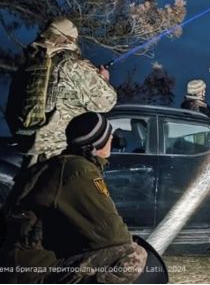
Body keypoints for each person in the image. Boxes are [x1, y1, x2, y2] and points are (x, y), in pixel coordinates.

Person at [0, 112, 147, 283]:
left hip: (16, 265)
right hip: (32, 273)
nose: (112, 138)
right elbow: (113, 236)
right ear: (98, 142)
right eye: (109, 134)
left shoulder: (55, 165)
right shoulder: (79, 170)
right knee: (132, 256)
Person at [6, 18, 117, 165]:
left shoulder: (26, 68)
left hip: (28, 154)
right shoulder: (71, 65)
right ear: (70, 39)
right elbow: (107, 101)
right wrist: (104, 79)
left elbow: (10, 112)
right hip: (61, 156)